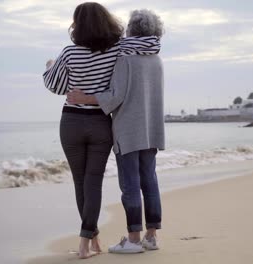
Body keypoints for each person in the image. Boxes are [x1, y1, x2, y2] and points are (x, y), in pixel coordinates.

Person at [42, 2, 160, 259]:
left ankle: (90, 240)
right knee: (92, 181)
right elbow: (146, 46)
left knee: (79, 182)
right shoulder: (117, 50)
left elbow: (56, 86)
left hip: (71, 122)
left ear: (77, 25)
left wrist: (51, 65)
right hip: (101, 123)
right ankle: (89, 241)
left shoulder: (69, 53)